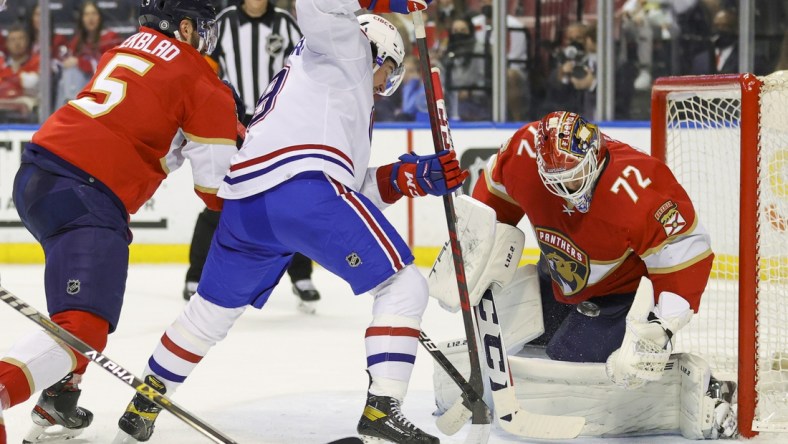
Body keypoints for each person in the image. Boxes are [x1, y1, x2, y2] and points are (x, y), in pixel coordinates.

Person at [114, 0, 468, 443]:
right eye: (389, 70)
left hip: (247, 204)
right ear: (375, 48)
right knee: (403, 284)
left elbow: (350, 187)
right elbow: (316, 4)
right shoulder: (350, 48)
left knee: (209, 314)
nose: (385, 84)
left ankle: (143, 402)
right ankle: (382, 410)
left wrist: (409, 177)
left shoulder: (323, 85)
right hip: (300, 190)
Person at [0, 0, 240, 442]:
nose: (207, 38)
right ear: (185, 28)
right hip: (85, 193)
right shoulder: (203, 81)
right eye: (203, 28)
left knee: (78, 305)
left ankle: (59, 398)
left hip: (37, 176)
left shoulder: (124, 47)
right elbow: (215, 194)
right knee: (84, 326)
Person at [430, 111, 738, 439]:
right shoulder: (523, 153)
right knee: (503, 329)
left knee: (571, 367)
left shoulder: (637, 186)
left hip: (620, 297)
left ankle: (699, 386)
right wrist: (473, 250)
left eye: (573, 177)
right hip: (559, 279)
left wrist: (660, 328)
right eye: (555, 179)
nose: (565, 189)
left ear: (594, 154)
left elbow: (686, 253)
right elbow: (493, 201)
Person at [182, 0, 321, 313]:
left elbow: (306, 68)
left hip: (280, 121)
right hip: (235, 121)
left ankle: (301, 276)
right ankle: (196, 273)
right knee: (224, 193)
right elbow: (204, 67)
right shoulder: (224, 21)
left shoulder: (286, 23)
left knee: (288, 198)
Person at [55, 0, 122, 106]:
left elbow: (108, 67)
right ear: (82, 19)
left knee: (72, 73)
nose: (90, 18)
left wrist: (79, 62)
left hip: (102, 83)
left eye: (94, 14)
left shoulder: (110, 37)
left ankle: (70, 107)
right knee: (64, 79)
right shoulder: (78, 40)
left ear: (100, 17)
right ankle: (67, 107)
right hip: (81, 84)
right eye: (86, 14)